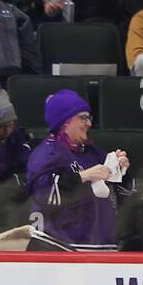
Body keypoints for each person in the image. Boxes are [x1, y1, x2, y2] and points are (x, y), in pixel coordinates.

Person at [24, 90, 131, 252]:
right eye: (83, 118)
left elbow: (120, 192)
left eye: (89, 118)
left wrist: (120, 169)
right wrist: (84, 176)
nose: (88, 123)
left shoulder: (92, 152)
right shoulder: (47, 153)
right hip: (60, 249)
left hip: (101, 246)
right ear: (65, 122)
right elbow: (43, 192)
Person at [0, 79, 30, 186]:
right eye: (1, 127)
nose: (7, 131)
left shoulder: (15, 135)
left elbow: (24, 165)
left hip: (10, 194)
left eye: (10, 124)